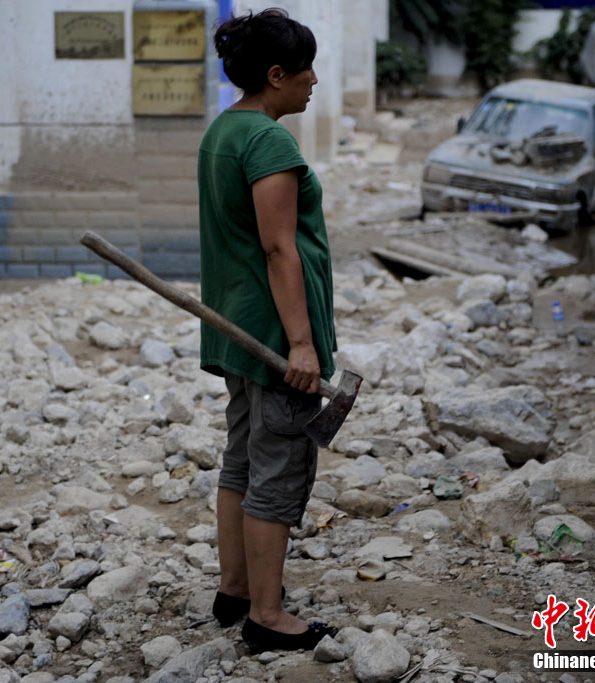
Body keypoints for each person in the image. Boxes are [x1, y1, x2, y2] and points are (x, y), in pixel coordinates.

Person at [198, 9, 338, 653]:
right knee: (278, 468)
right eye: (306, 69)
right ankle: (267, 616)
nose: (314, 80)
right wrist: (302, 345)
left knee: (243, 459)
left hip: (236, 327)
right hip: (275, 337)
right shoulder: (268, 142)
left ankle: (234, 590)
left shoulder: (223, 131)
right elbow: (280, 249)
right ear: (277, 75)